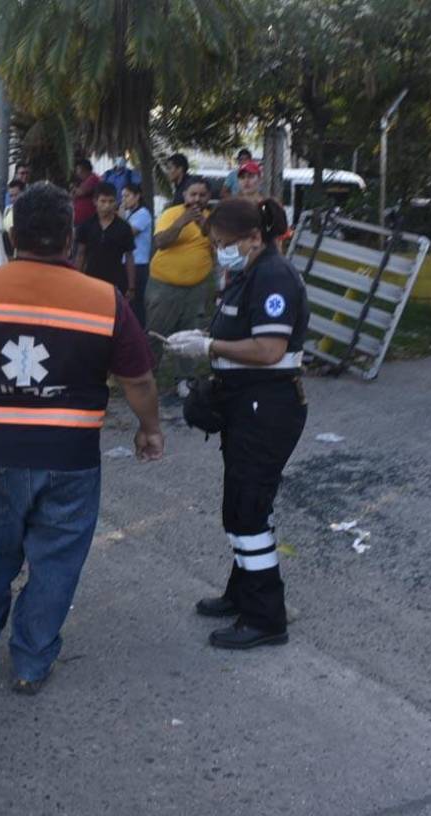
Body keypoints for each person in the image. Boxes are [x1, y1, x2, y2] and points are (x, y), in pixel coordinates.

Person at [0, 181, 163, 694]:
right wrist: (149, 429)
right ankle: (31, 666)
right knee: (56, 564)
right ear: (70, 237)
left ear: (13, 234)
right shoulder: (104, 300)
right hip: (69, 460)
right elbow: (139, 381)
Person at [164, 197, 309, 649]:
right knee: (240, 507)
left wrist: (210, 348)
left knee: (249, 513)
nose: (220, 249)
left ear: (254, 238)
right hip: (247, 404)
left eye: (225, 242)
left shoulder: (273, 277)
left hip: (267, 407)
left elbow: (268, 349)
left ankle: (266, 619)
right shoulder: (249, 272)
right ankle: (243, 593)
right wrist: (210, 343)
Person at [147, 176, 214, 398]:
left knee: (189, 335)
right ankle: (147, 377)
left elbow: (221, 249)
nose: (197, 199)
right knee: (156, 333)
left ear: (208, 197)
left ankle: (185, 380)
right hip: (164, 287)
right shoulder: (171, 214)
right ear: (184, 195)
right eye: (192, 194)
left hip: (196, 289)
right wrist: (181, 222)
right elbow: (160, 242)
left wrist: (207, 228)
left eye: (202, 195)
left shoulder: (212, 220)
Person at [75, 182, 136, 298]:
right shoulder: (86, 226)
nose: (107, 206)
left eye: (111, 201)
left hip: (115, 284)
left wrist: (131, 287)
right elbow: (80, 254)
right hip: (90, 282)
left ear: (116, 202)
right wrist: (77, 280)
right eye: (103, 201)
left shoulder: (124, 228)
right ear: (95, 202)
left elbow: (129, 257)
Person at [121, 181, 153, 326]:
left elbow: (128, 234)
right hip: (126, 262)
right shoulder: (129, 213)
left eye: (127, 196)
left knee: (136, 302)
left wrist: (120, 219)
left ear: (137, 196)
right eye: (122, 197)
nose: (124, 200)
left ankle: (139, 330)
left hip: (139, 264)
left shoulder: (143, 214)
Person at [70, 159, 101, 228]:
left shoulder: (93, 178)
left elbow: (81, 192)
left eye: (78, 169)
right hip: (80, 221)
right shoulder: (84, 181)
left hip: (87, 220)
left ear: (83, 169)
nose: (77, 172)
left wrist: (74, 190)